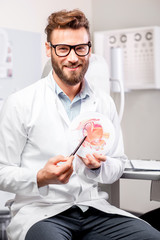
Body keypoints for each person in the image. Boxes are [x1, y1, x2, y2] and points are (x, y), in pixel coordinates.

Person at [0, 9, 159, 240]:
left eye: (80, 48)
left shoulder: (104, 103)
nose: (73, 58)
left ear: (89, 49)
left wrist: (97, 168)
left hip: (92, 208)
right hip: (41, 213)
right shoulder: (21, 103)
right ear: (48, 50)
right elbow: (2, 171)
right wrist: (41, 177)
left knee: (150, 237)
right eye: (63, 48)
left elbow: (118, 164)